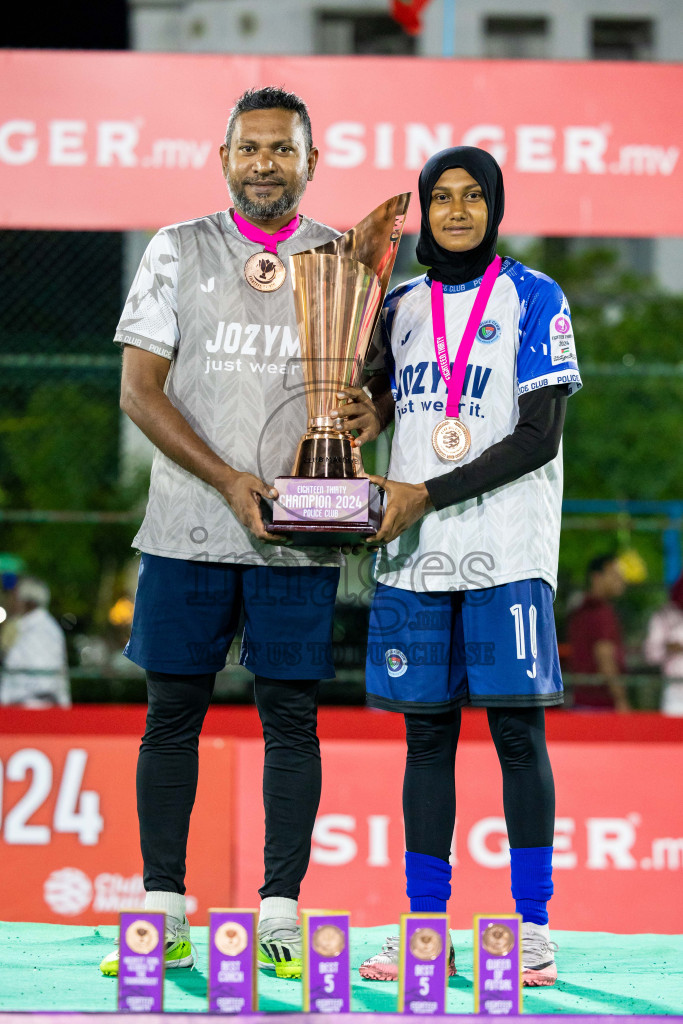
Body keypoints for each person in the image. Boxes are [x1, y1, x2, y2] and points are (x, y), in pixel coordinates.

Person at [99, 86, 378, 981]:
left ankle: (280, 917)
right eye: (249, 148)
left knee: (291, 720)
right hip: (186, 526)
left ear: (310, 162)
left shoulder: (342, 263)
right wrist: (226, 480)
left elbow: (358, 397)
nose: (265, 163)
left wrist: (360, 417)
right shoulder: (178, 250)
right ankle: (161, 910)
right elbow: (138, 392)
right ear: (224, 159)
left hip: (297, 534)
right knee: (169, 716)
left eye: (281, 150)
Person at [336, 146, 582, 987]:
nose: (454, 210)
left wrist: (423, 491)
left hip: (506, 550)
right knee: (426, 743)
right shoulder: (397, 305)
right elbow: (377, 403)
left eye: (471, 196)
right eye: (438, 197)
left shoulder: (534, 297)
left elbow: (537, 436)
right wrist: (358, 414)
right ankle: (425, 928)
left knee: (517, 737)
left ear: (494, 205)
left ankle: (533, 926)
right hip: (411, 559)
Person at [567, 554, 631, 711]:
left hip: (580, 701)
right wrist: (621, 699)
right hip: (602, 706)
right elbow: (605, 657)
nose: (620, 580)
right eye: (614, 575)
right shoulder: (601, 613)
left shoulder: (579, 610)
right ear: (597, 577)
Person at [0, 577, 70, 708]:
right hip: (42, 705)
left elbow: (15, 669)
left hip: (26, 707)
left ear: (27, 602)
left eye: (17, 598)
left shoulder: (31, 629)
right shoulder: (52, 628)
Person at [644, 572, 683, 716]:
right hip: (675, 692)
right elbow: (651, 655)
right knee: (673, 736)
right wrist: (669, 647)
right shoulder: (665, 616)